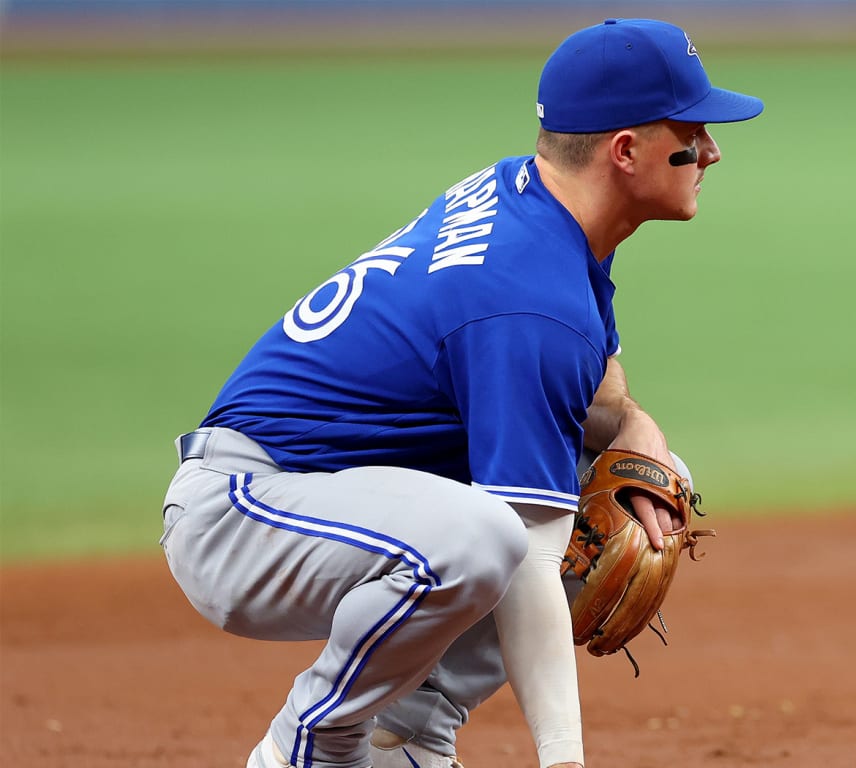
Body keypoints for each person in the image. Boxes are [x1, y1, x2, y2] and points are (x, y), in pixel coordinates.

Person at [159, 18, 762, 768]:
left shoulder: (536, 196)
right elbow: (532, 563)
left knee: (641, 478)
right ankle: (311, 743)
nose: (712, 151)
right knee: (487, 538)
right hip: (245, 514)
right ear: (626, 151)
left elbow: (593, 385)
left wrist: (636, 425)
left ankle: (405, 735)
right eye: (692, 132)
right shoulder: (527, 298)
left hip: (326, 494)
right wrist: (564, 757)